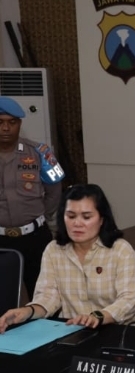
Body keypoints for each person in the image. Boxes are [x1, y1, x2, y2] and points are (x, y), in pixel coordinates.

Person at [0, 184, 135, 333]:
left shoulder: (120, 250)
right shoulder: (54, 250)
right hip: (73, 330)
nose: (77, 223)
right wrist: (27, 311)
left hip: (120, 331)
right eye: (71, 216)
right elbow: (48, 297)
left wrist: (99, 316)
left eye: (86, 217)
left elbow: (129, 300)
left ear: (102, 219)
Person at [0, 96, 64, 297]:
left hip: (34, 238)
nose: (6, 128)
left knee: (45, 295)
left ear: (19, 124)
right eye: (0, 122)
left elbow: (54, 191)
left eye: (12, 122)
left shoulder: (40, 153)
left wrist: (40, 215)